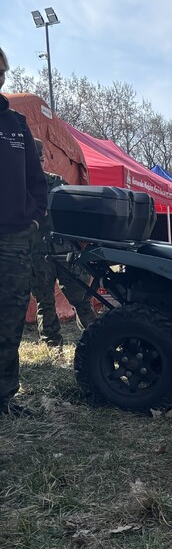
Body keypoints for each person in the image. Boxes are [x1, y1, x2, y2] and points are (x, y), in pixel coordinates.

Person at [0, 46, 47, 416]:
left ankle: (3, 398)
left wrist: (34, 217)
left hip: (15, 236)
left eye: (1, 71)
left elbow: (36, 177)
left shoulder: (16, 123)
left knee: (10, 317)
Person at [29, 138, 96, 354]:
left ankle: (96, 340)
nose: (37, 164)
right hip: (38, 254)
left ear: (44, 160)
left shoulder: (58, 184)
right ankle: (52, 347)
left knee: (81, 298)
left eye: (39, 159)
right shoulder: (20, 188)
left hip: (65, 251)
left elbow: (75, 214)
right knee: (45, 303)